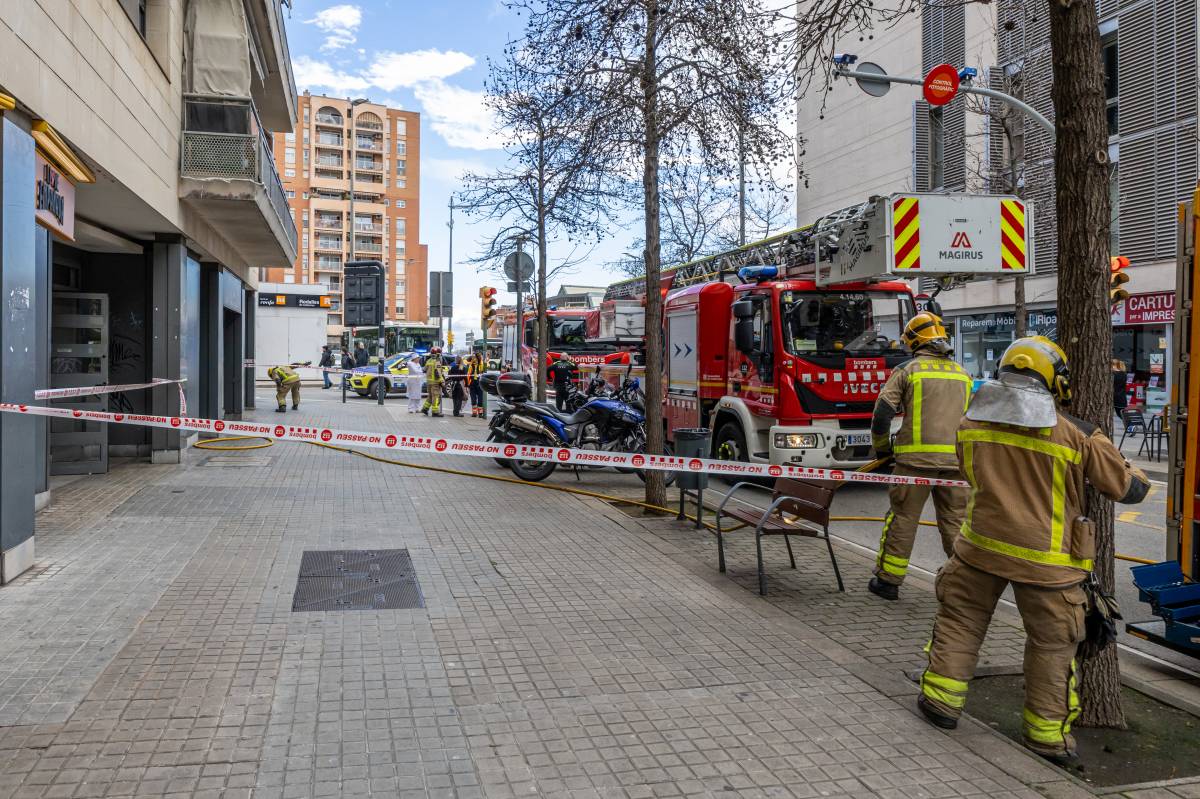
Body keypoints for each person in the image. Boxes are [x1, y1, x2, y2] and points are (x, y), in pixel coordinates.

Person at [918, 336, 1150, 765]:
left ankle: (940, 701)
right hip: (1049, 564)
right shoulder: (1075, 434)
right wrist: (1125, 462)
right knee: (1052, 645)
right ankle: (1046, 737)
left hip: (979, 549)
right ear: (1053, 381)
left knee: (960, 621)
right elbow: (1127, 488)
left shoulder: (972, 423)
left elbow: (969, 472)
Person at [868, 312, 972, 601]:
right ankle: (963, 588)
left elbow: (882, 415)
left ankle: (888, 581)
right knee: (956, 523)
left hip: (914, 463)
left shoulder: (907, 370)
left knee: (902, 519)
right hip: (955, 463)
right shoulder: (963, 374)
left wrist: (882, 449)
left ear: (914, 340)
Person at [421, 347, 445, 417]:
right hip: (435, 382)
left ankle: (425, 408)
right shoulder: (437, 361)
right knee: (436, 397)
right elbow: (439, 372)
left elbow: (424, 369)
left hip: (429, 382)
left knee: (430, 396)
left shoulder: (429, 361)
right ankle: (435, 412)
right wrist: (442, 381)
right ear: (438, 354)